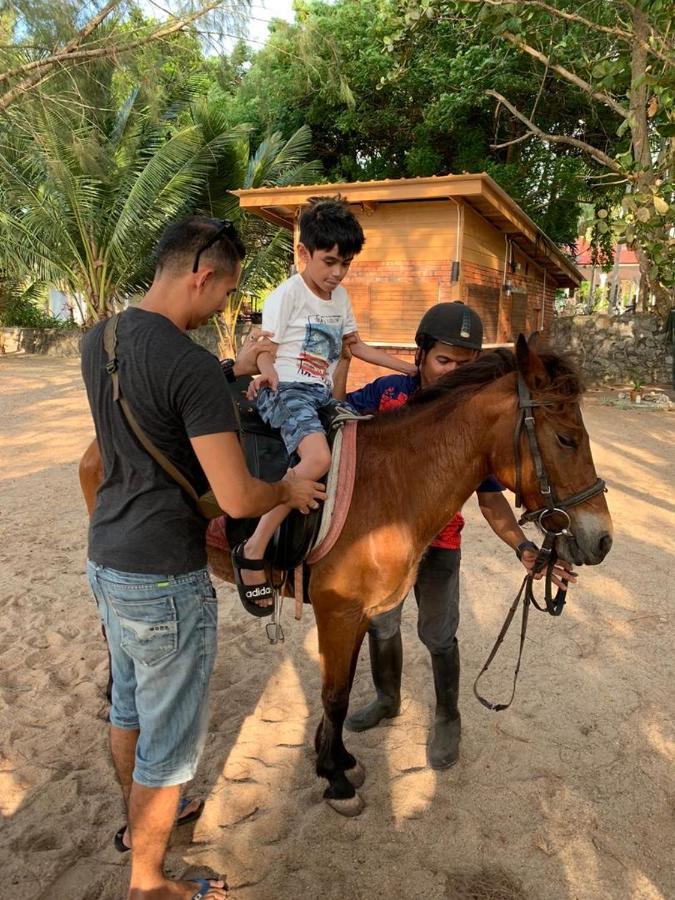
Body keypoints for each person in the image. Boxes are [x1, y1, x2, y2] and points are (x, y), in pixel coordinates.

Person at [81, 216, 326, 900]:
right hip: (164, 574)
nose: (227, 306)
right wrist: (287, 485)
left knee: (128, 705)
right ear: (201, 275)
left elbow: (146, 395)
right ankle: (149, 881)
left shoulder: (98, 338)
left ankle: (142, 828)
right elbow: (238, 497)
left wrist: (228, 371)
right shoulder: (188, 366)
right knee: (170, 740)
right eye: (227, 292)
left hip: (107, 557)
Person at [337, 301, 576, 770]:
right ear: (421, 354)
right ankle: (388, 698)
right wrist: (342, 362)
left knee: (439, 633)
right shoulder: (388, 394)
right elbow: (337, 419)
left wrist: (524, 547)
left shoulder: (471, 421)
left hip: (439, 545)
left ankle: (448, 716)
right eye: (444, 360)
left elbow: (491, 500)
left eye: (464, 365)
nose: (451, 372)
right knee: (381, 624)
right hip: (381, 546)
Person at [232, 196, 416, 613]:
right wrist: (269, 371)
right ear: (303, 253)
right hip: (287, 390)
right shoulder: (288, 295)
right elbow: (265, 348)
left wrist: (409, 369)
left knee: (365, 444)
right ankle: (255, 547)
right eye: (329, 261)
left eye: (345, 263)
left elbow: (357, 347)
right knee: (315, 459)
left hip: (318, 394)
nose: (337, 273)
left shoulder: (341, 299)